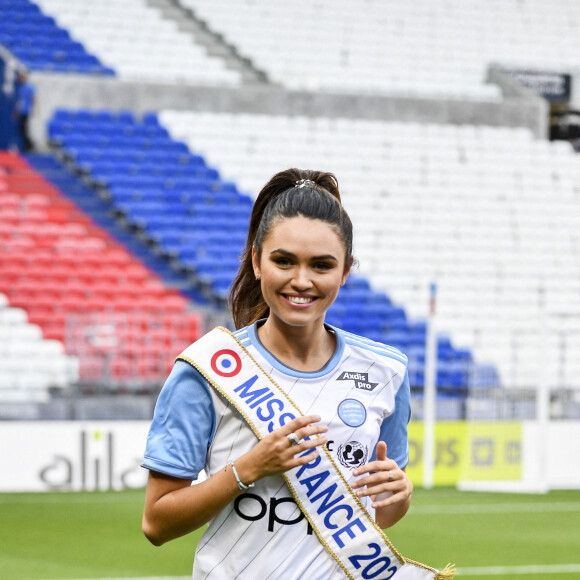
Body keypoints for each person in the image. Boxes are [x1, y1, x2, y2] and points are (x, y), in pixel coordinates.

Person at [142, 168, 414, 579]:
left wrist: (399, 495)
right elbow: (157, 524)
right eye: (284, 261)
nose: (301, 281)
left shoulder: (386, 371)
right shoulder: (207, 368)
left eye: (322, 265)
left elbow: (382, 514)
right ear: (256, 261)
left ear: (345, 271)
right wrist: (249, 468)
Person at [13, 70, 35, 152]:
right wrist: (16, 112)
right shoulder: (21, 88)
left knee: (24, 128)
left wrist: (33, 109)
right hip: (22, 110)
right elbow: (19, 101)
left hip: (26, 110)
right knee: (22, 128)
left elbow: (32, 98)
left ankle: (30, 144)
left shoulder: (29, 87)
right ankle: (28, 144)